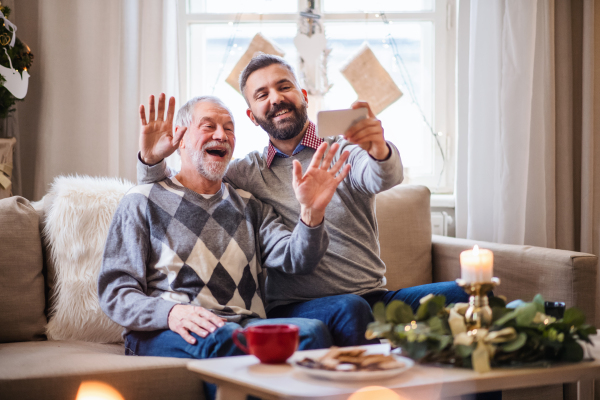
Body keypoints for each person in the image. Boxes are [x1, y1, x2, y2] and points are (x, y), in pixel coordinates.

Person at [137, 54, 469, 347]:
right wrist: (151, 162)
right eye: (262, 94)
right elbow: (190, 185)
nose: (276, 98)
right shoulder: (244, 173)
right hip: (297, 306)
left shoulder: (341, 150)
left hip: (375, 296)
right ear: (252, 116)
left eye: (284, 87)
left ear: (303, 96)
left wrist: (379, 149)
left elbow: (383, 176)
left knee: (466, 295)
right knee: (350, 308)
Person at [98, 95, 351, 400]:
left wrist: (311, 213)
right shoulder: (140, 200)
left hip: (244, 324)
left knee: (312, 332)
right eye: (209, 126)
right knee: (228, 339)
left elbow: (297, 260)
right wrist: (171, 313)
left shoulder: (249, 205)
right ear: (180, 138)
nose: (221, 135)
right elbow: (115, 292)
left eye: (229, 129)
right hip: (166, 330)